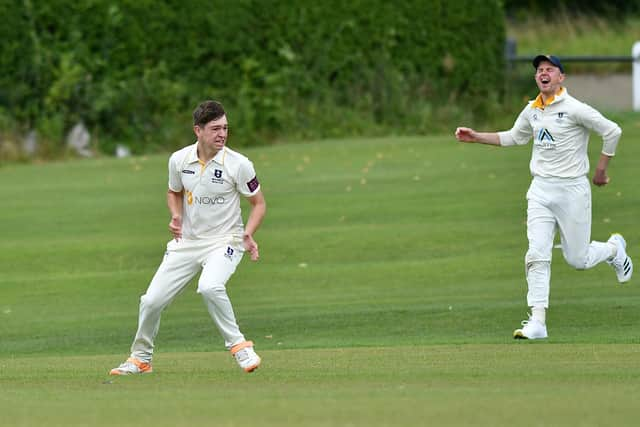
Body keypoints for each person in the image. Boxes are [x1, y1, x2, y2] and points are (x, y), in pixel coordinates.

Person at [454, 54, 633, 340]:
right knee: (536, 253)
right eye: (539, 70)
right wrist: (476, 137)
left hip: (573, 190)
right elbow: (515, 136)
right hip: (540, 190)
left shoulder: (576, 109)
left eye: (550, 69)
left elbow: (612, 131)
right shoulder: (532, 110)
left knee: (578, 259)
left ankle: (614, 249)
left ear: (561, 77)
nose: (543, 73)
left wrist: (601, 170)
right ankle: (538, 321)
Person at [110, 100, 266, 374]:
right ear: (198, 130)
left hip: (225, 241)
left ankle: (240, 347)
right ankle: (140, 358)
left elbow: (259, 204)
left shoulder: (239, 164)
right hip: (187, 243)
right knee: (151, 301)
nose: (222, 134)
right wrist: (176, 216)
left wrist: (248, 233)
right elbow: (174, 191)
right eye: (215, 128)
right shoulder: (179, 160)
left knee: (210, 287)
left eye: (226, 128)